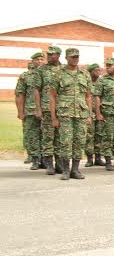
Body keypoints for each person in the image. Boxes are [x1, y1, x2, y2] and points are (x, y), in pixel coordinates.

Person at [49, 48, 93, 180]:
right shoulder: (58, 74)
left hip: (81, 113)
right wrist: (53, 117)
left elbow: (88, 96)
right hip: (65, 114)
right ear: (66, 58)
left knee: (80, 141)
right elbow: (52, 96)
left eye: (76, 57)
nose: (75, 59)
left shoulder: (85, 74)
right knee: (65, 142)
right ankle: (66, 170)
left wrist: (89, 115)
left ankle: (75, 170)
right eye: (72, 57)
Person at [34, 46, 64, 175]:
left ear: (58, 55)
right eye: (49, 54)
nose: (50, 56)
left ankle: (59, 164)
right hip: (46, 108)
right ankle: (49, 165)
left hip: (63, 108)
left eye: (53, 54)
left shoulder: (64, 69)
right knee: (48, 136)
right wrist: (38, 108)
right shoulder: (41, 70)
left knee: (60, 137)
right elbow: (36, 90)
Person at [93, 58, 114, 171]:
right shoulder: (102, 80)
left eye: (110, 65)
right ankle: (108, 161)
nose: (107, 67)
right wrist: (98, 113)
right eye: (107, 65)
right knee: (107, 136)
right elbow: (97, 96)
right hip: (107, 112)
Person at [17, 52, 45, 169]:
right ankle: (35, 159)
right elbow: (20, 94)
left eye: (41, 59)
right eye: (37, 59)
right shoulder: (25, 76)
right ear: (32, 61)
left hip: (46, 110)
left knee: (46, 135)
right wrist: (20, 112)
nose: (39, 61)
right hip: (30, 110)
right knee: (32, 135)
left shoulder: (49, 74)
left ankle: (45, 160)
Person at [84, 63, 104, 167]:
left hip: (100, 112)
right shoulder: (86, 83)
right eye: (96, 70)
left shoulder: (101, 82)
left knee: (99, 135)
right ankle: (89, 158)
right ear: (90, 71)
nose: (98, 72)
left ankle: (98, 158)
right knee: (89, 136)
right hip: (89, 112)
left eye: (99, 70)